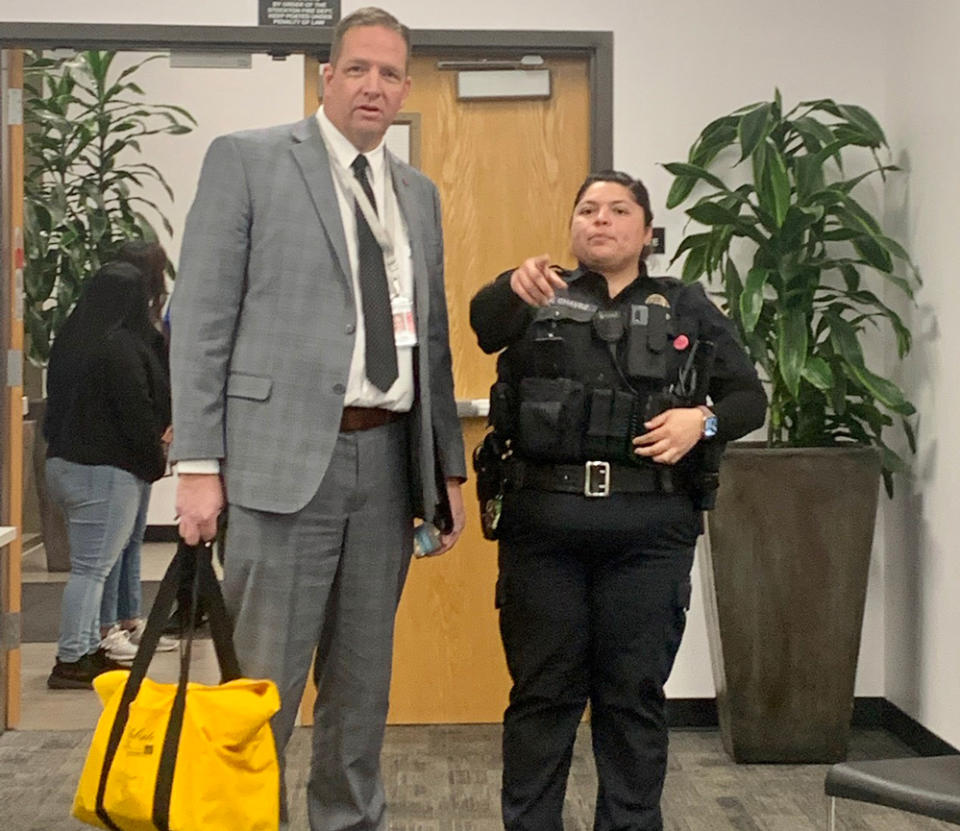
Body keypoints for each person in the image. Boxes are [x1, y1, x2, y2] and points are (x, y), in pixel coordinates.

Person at [167, 7, 466, 830]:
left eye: (391, 74)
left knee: (363, 686)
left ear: (406, 89)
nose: (374, 86)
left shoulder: (418, 194)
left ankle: (348, 820)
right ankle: (237, 820)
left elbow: (427, 339)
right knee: (260, 684)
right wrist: (197, 463)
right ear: (327, 77)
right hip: (278, 464)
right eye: (359, 69)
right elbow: (200, 321)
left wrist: (444, 467)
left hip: (385, 466)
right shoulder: (251, 162)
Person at [469, 170, 767, 831]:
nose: (600, 220)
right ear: (572, 226)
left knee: (632, 697)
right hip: (544, 532)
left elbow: (750, 398)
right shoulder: (535, 293)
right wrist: (507, 286)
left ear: (647, 231)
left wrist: (703, 421)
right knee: (543, 695)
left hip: (649, 533)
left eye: (618, 209)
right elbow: (482, 322)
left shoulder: (685, 306)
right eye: (587, 209)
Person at [44, 261, 172, 689]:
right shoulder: (120, 347)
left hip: (64, 462)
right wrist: (158, 460)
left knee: (91, 566)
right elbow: (135, 412)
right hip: (103, 471)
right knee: (91, 570)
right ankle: (72, 657)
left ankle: (86, 646)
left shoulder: (72, 338)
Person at [97, 240, 178, 661]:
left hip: (149, 438)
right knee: (115, 545)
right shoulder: (124, 326)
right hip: (129, 443)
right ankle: (107, 625)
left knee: (132, 540)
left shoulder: (147, 320)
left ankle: (128, 617)